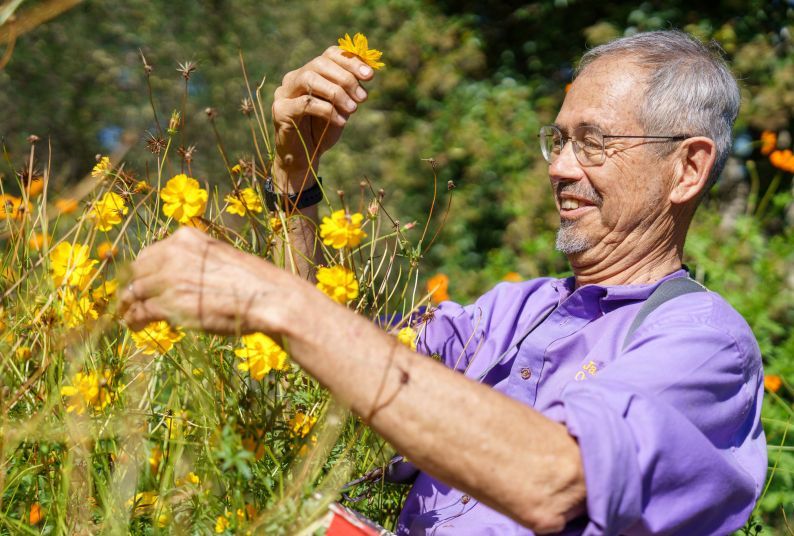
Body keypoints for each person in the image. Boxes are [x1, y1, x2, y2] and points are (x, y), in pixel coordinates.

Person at [120, 30, 767, 534]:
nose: (561, 169)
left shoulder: (704, 344)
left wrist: (275, 298)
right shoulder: (517, 310)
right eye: (560, 140)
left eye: (595, 143)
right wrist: (294, 176)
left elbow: (554, 481)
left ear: (687, 169)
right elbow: (333, 371)